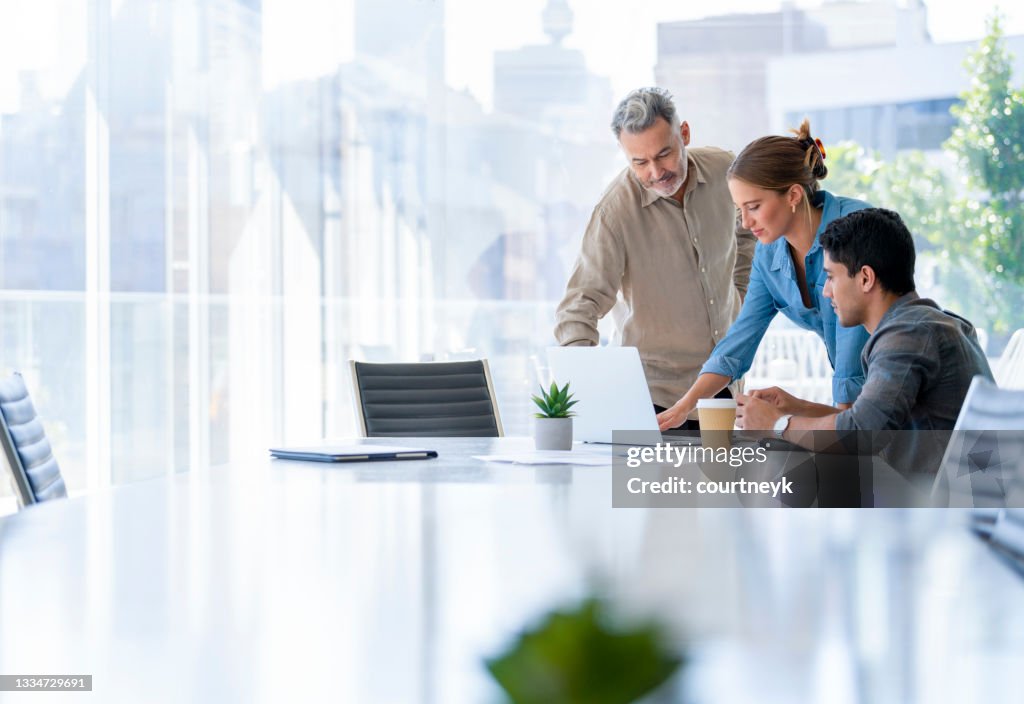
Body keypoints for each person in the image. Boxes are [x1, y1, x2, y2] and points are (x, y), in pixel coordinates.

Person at [736, 208, 994, 473]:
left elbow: (860, 434)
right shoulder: (927, 323)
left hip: (940, 508)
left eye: (831, 276)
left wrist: (779, 425)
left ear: (866, 278)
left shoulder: (908, 335)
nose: (825, 292)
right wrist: (796, 407)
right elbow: (871, 423)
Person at [554, 87, 756, 427]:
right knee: (657, 483)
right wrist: (591, 393)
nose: (655, 172)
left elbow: (748, 229)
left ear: (685, 134)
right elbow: (579, 306)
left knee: (724, 479)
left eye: (664, 154)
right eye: (639, 162)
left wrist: (740, 290)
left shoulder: (725, 170)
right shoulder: (614, 211)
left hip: (725, 386)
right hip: (654, 400)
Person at [656, 120, 871, 431]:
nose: (745, 223)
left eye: (754, 207)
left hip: (901, 383)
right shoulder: (769, 254)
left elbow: (852, 349)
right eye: (740, 210)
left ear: (794, 195)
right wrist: (683, 407)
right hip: (864, 401)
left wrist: (837, 427)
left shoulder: (854, 229)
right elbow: (739, 341)